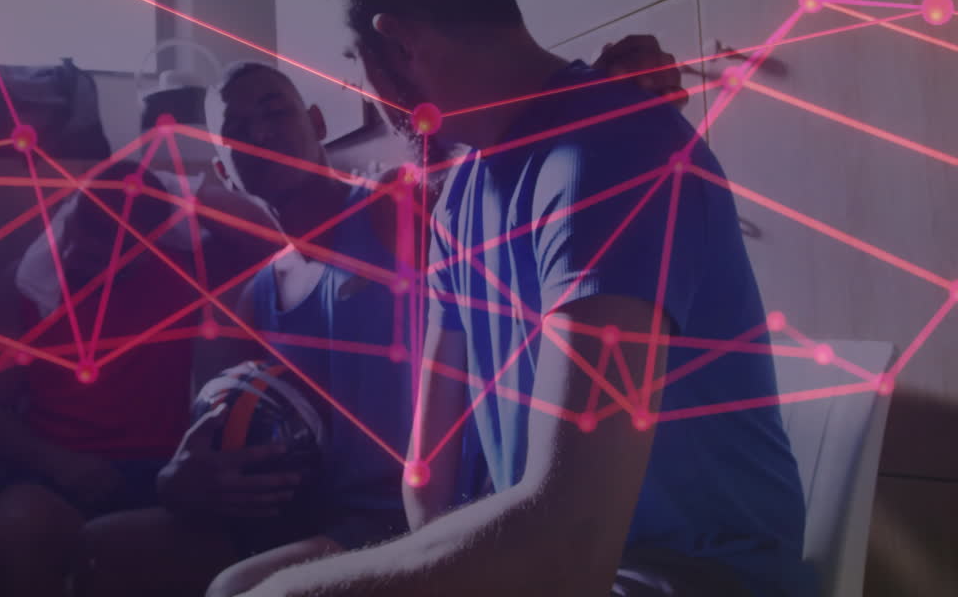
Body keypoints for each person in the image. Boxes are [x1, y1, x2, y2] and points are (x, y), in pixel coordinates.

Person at [239, 0, 810, 597]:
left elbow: (568, 550)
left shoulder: (614, 155)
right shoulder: (461, 202)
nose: (370, 95)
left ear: (399, 41)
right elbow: (429, 489)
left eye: (356, 63)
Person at [80, 32, 684, 597]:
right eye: (237, 130)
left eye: (275, 111)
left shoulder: (395, 208)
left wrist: (599, 96)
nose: (260, 133)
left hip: (417, 516)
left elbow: (490, 163)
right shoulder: (252, 298)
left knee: (234, 589)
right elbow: (207, 432)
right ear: (221, 170)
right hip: (317, 515)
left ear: (315, 123)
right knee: (99, 548)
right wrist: (178, 482)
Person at [0, 161, 207, 597]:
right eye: (81, 225)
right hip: (54, 470)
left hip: (166, 474)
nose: (81, 248)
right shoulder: (25, 284)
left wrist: (181, 188)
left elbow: (258, 225)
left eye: (107, 245)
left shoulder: (187, 272)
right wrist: (57, 463)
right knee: (16, 521)